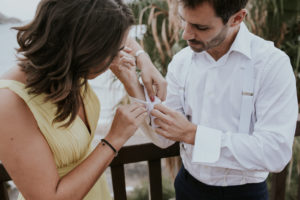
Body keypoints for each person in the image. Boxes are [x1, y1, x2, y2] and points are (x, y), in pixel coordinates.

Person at [114, 0, 298, 199]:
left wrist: (194, 135)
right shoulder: (182, 62)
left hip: (244, 193)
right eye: (184, 21)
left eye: (200, 27)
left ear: (237, 18)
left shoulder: (271, 64)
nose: (186, 34)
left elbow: (275, 152)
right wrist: (132, 82)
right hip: (187, 187)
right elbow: (164, 137)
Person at [0, 0, 167, 200]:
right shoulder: (8, 104)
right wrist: (114, 139)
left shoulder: (67, 67)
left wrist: (144, 59)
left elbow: (124, 39)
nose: (118, 57)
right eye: (112, 52)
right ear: (85, 46)